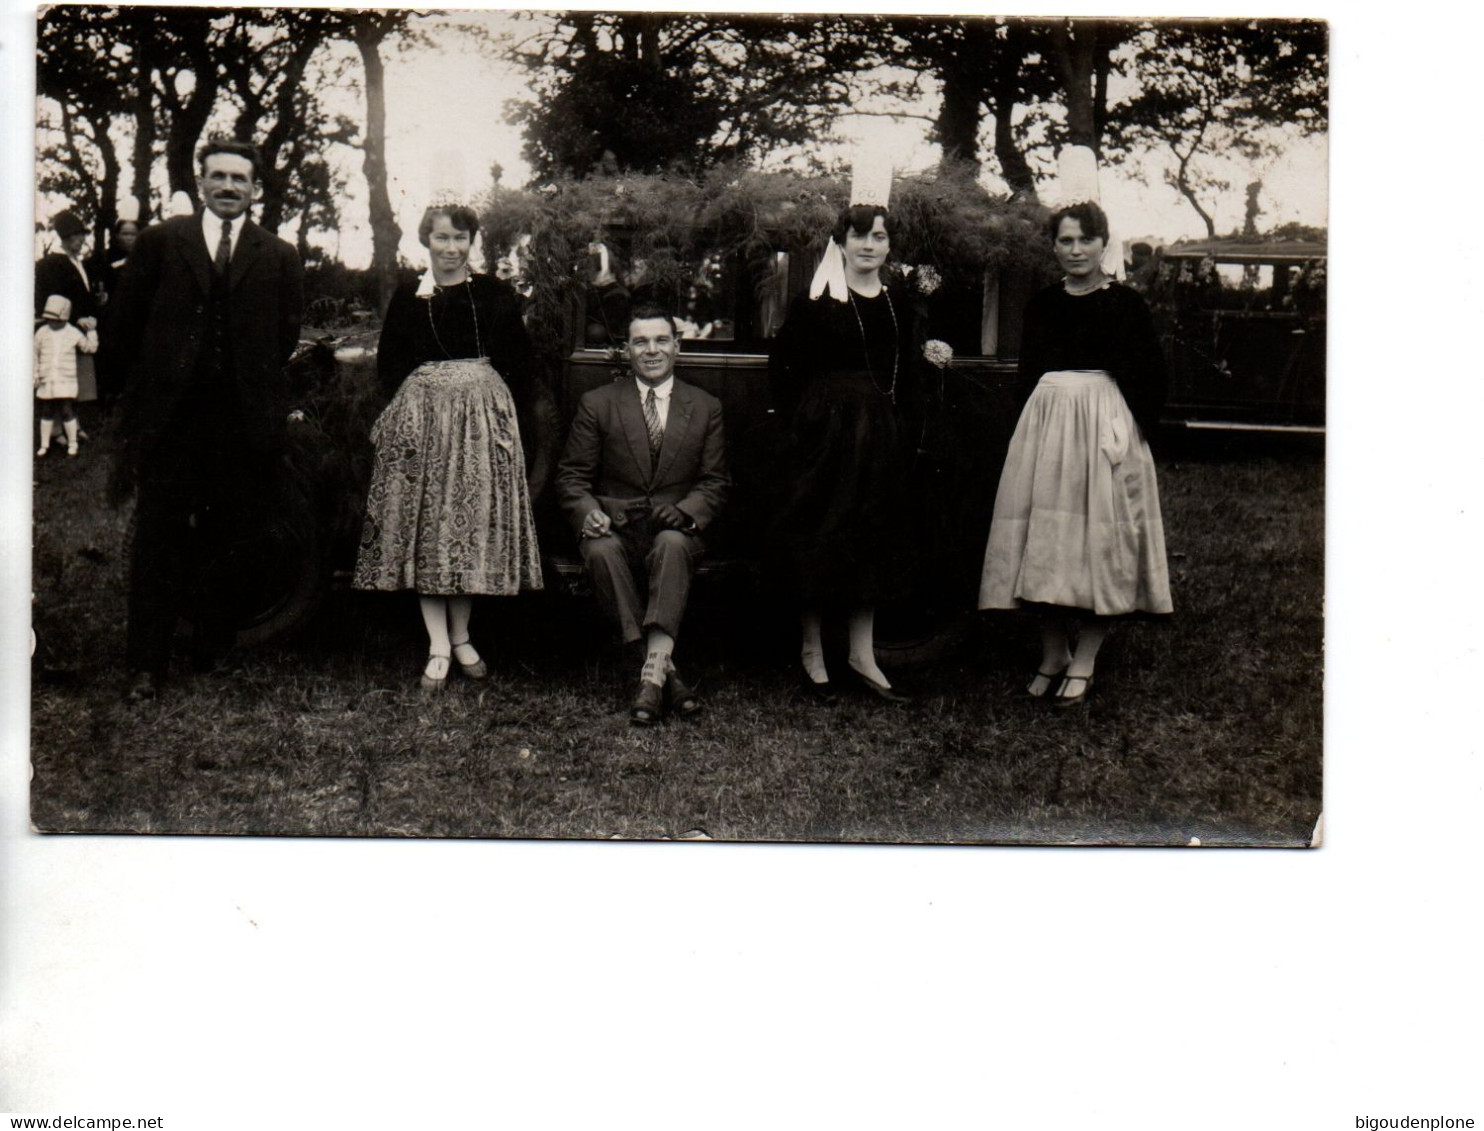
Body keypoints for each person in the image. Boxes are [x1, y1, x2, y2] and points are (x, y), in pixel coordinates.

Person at [109, 137, 305, 702]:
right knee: (158, 537)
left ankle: (212, 647)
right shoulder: (159, 243)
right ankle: (145, 664)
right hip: (172, 419)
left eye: (238, 179)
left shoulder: (278, 255)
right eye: (217, 176)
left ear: (256, 190)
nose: (227, 187)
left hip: (242, 422)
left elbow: (284, 336)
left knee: (231, 534)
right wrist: (143, 403)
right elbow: (124, 326)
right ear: (200, 181)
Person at [978, 200, 1172, 707]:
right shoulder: (1043, 303)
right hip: (1046, 428)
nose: (1076, 250)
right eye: (1065, 240)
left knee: (1097, 543)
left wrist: (1129, 433)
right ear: (1054, 247)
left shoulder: (1124, 304)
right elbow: (1029, 374)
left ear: (1104, 244)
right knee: (1042, 540)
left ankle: (1086, 656)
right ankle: (1053, 652)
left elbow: (1150, 376)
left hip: (1104, 428)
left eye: (1085, 239)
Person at [353, 202, 546, 691]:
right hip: (422, 426)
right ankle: (437, 643)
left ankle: (462, 635)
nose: (451, 248)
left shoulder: (494, 294)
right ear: (427, 242)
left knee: (467, 528)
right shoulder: (409, 296)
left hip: (481, 426)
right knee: (428, 530)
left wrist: (500, 419)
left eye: (460, 238)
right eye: (442, 238)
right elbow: (390, 365)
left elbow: (519, 365)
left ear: (471, 242)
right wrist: (421, 406)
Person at [768, 203, 920, 703]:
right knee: (820, 532)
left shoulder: (898, 302)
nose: (869, 245)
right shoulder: (818, 301)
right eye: (859, 237)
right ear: (842, 243)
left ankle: (862, 654)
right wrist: (808, 425)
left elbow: (906, 371)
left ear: (889, 245)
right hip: (824, 437)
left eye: (878, 236)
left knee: (871, 536)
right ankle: (812, 652)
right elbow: (783, 371)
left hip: (878, 437)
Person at [556, 303, 730, 724]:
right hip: (618, 526)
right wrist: (588, 512)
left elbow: (715, 481)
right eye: (640, 342)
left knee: (672, 545)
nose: (651, 350)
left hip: (673, 531)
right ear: (627, 350)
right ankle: (661, 672)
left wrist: (688, 513)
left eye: (660, 340)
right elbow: (571, 478)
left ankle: (647, 677)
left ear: (676, 346)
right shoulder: (599, 403)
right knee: (598, 550)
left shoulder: (705, 406)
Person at [35, 209, 101, 441]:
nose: (82, 239)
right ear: (64, 237)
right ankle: (55, 431)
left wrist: (95, 303)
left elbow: (81, 295)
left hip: (78, 330)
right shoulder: (50, 264)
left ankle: (74, 424)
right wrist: (74, 320)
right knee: (58, 381)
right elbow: (53, 301)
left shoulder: (77, 262)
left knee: (75, 382)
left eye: (82, 234)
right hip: (60, 331)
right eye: (76, 235)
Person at [33, 295, 98, 457]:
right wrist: (35, 374)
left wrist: (91, 331)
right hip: (47, 379)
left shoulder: (72, 332)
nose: (52, 323)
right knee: (46, 411)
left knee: (66, 410)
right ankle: (44, 444)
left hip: (66, 380)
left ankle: (73, 443)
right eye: (49, 319)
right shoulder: (41, 332)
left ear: (64, 318)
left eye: (56, 320)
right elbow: (34, 355)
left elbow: (90, 348)